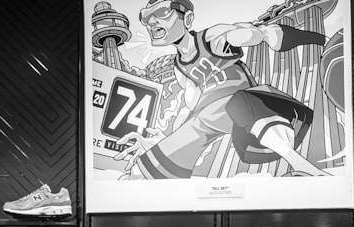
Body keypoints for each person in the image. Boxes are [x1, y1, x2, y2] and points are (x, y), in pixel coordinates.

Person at [116, 0, 329, 178]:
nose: (151, 22)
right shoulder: (181, 68)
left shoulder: (211, 38)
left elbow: (256, 35)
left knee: (235, 102)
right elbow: (191, 109)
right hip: (236, 135)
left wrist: (258, 34)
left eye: (162, 12)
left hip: (266, 115)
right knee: (140, 169)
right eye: (145, 17)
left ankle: (303, 166)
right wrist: (159, 141)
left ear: (188, 19)